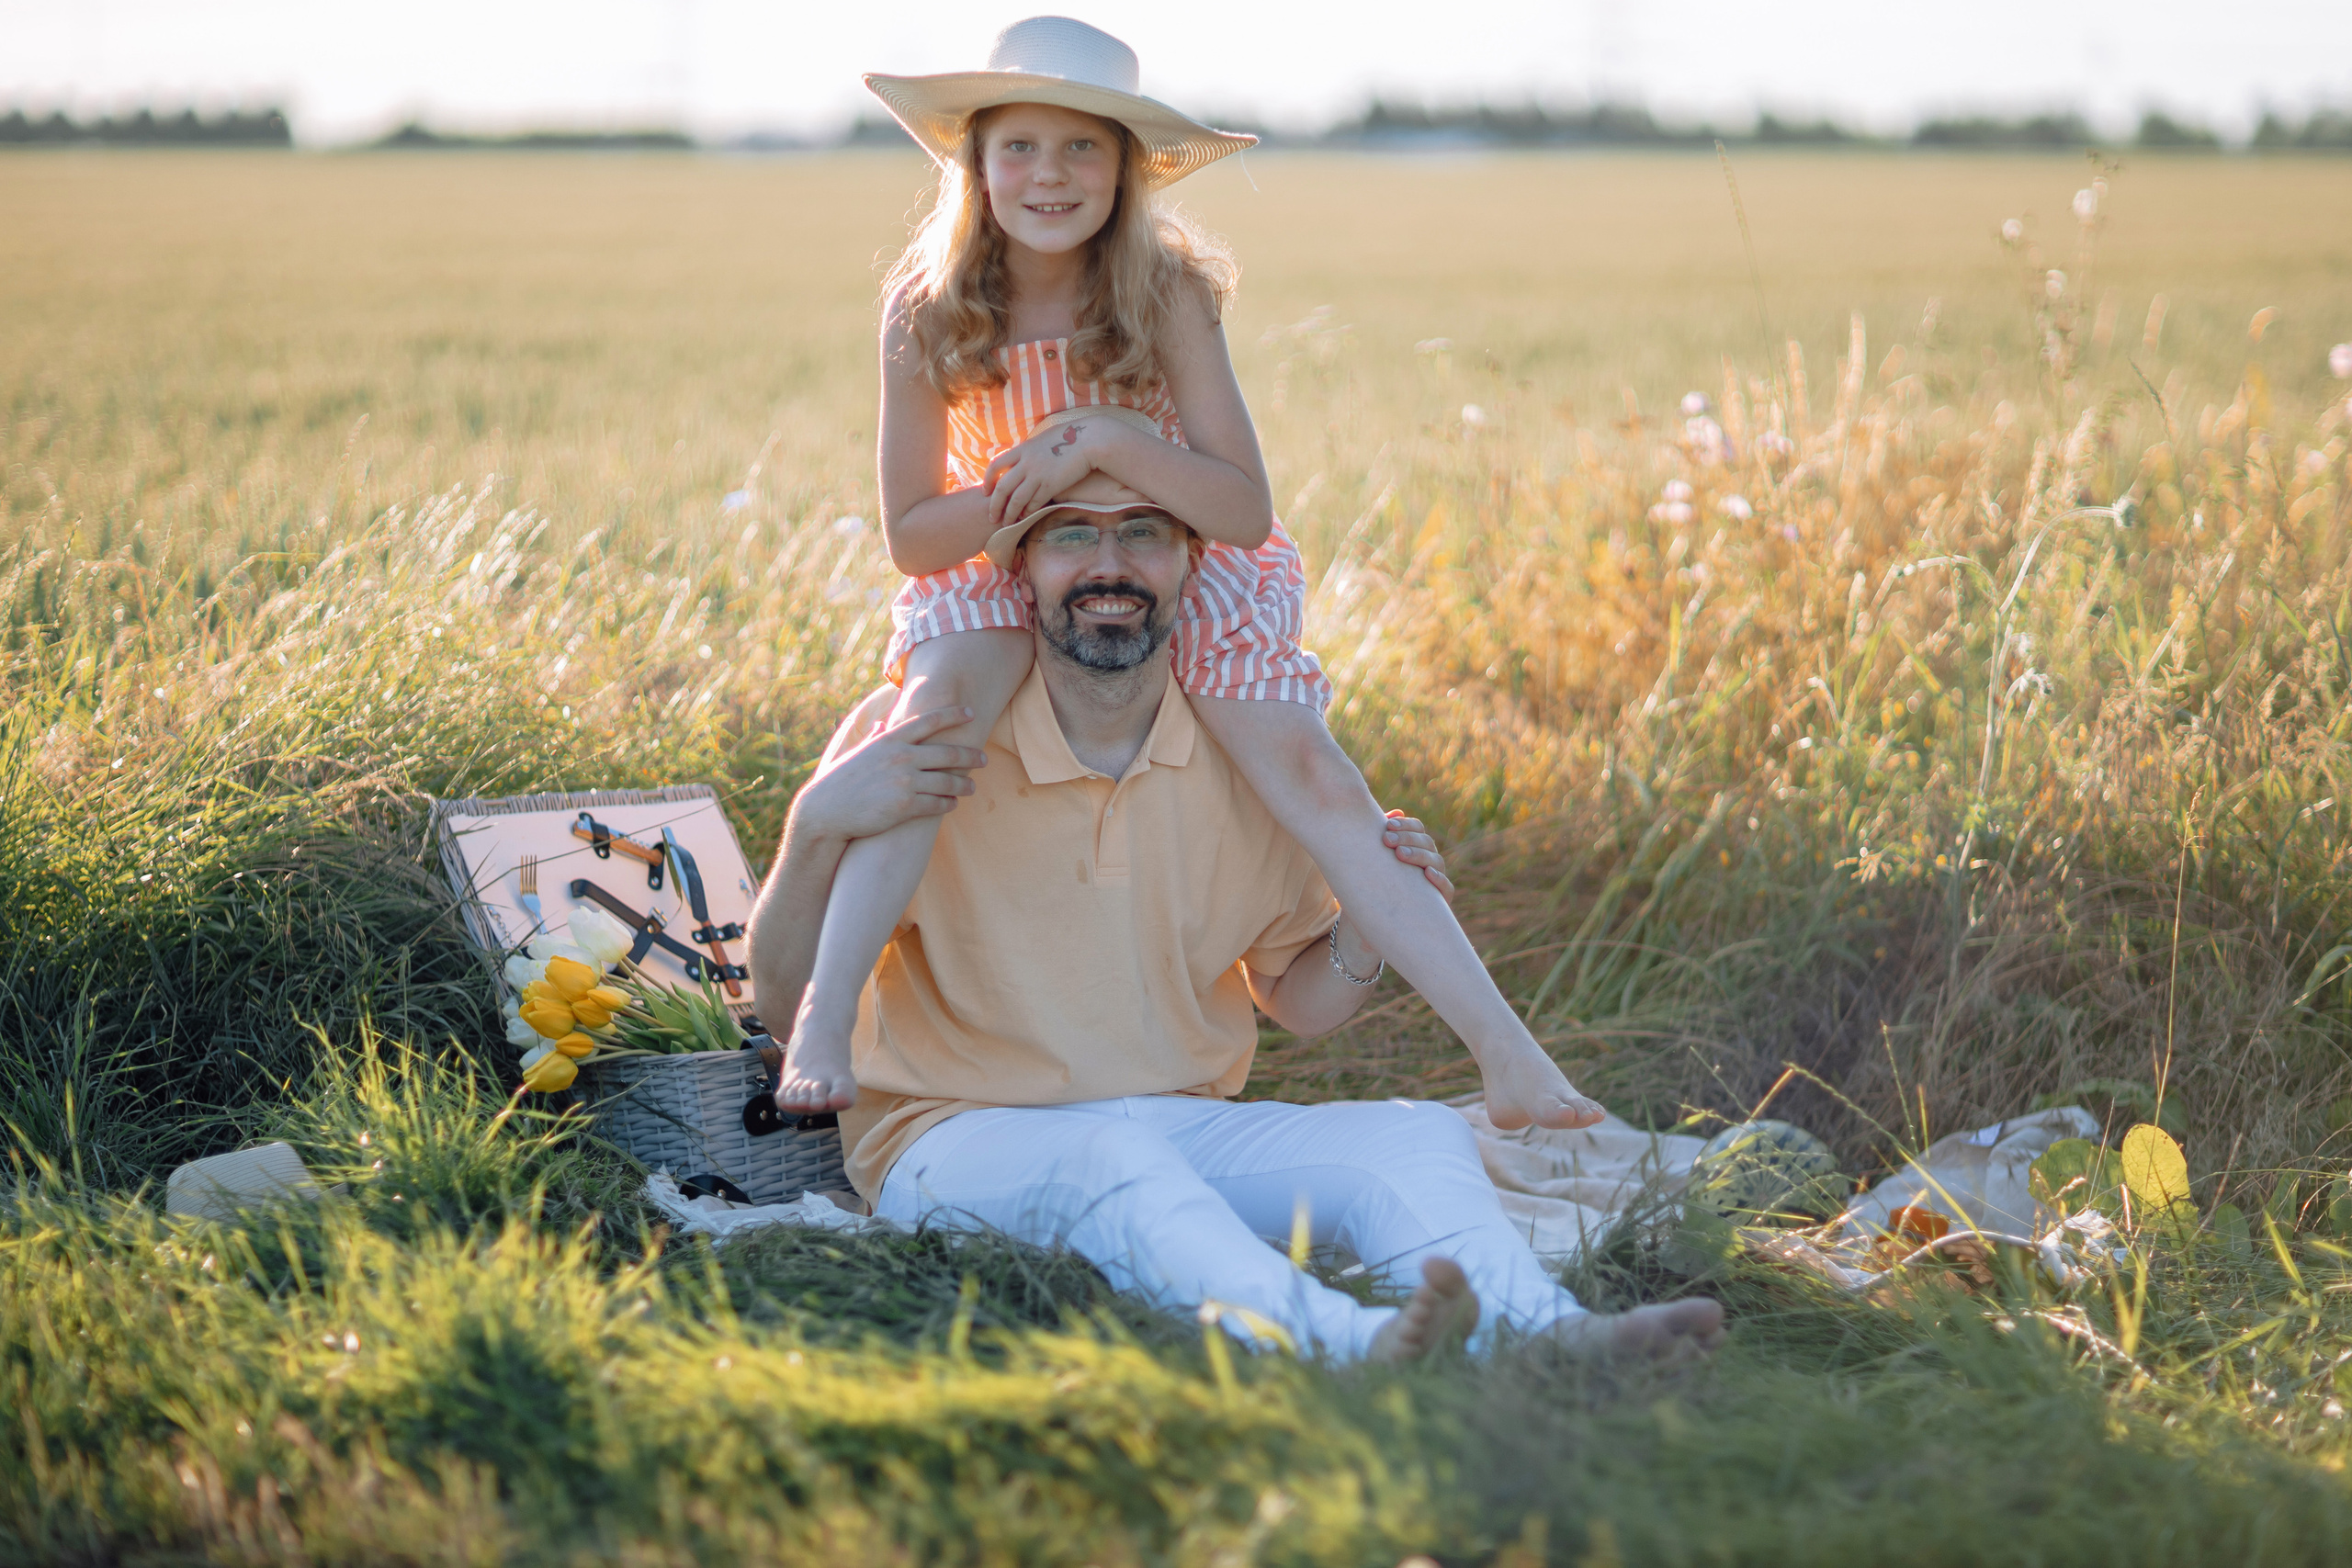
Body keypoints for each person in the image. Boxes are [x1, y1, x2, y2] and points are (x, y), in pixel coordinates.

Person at [775, 17, 1611, 1153]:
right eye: (1020, 147)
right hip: (996, 548)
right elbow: (916, 537)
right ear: (974, 162)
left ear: (1124, 170)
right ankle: (825, 1015)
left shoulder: (1165, 292)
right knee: (930, 730)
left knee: (1312, 769)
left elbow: (1238, 507)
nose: (1049, 175)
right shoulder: (927, 305)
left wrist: (1111, 441)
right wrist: (1037, 489)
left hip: (1169, 544)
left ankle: (1508, 1056)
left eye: (1082, 150)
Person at [746, 471, 1726, 1364]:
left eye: (1143, 532)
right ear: (1019, 568)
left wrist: (1363, 925)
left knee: (1416, 1137)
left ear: (1192, 562)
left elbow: (1297, 1003)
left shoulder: (1245, 751)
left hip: (1179, 1122)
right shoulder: (926, 735)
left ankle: (1551, 1339)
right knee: (1107, 1158)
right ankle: (1344, 1345)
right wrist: (812, 822)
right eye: (1070, 536)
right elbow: (788, 1006)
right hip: (953, 1136)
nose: (1109, 565)